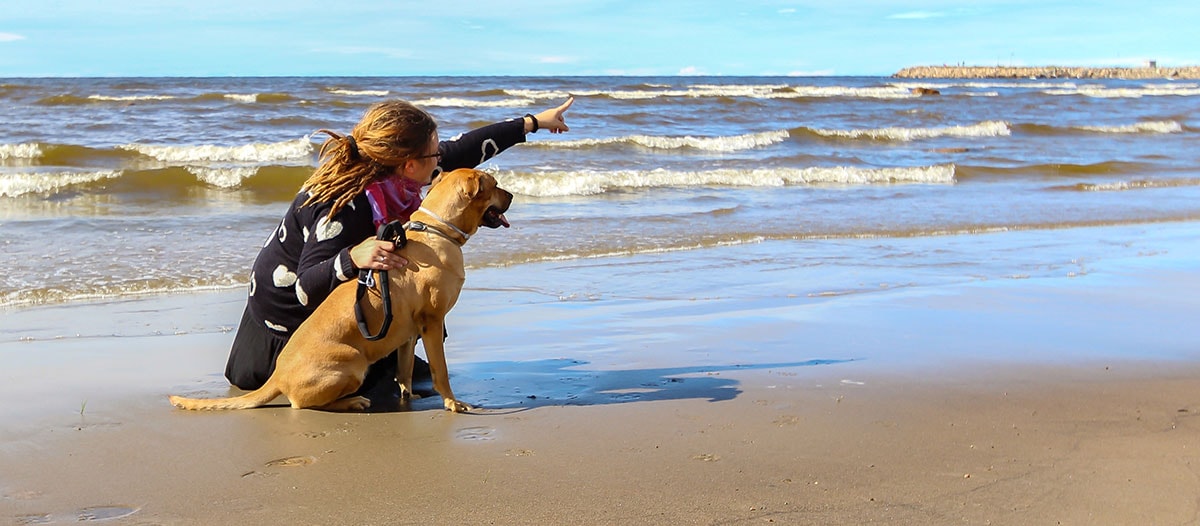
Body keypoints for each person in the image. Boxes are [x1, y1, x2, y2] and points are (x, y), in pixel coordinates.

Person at [224, 96, 574, 396]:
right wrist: (351, 257)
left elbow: (464, 149)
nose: (441, 160)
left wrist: (533, 123)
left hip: (327, 326)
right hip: (289, 342)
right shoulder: (348, 206)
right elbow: (304, 289)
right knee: (393, 378)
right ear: (410, 163)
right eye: (434, 154)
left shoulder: (392, 172)